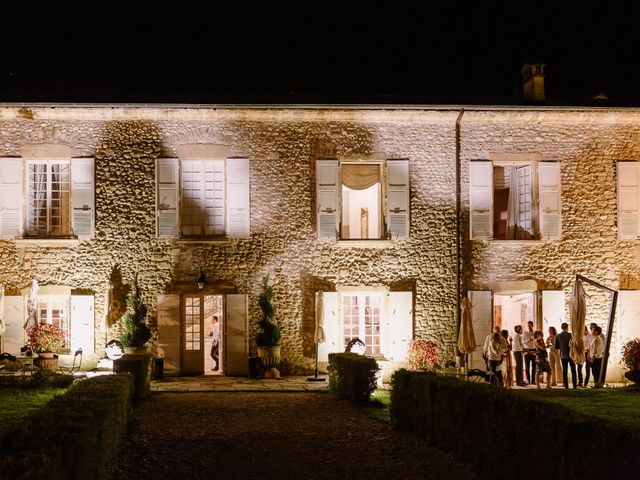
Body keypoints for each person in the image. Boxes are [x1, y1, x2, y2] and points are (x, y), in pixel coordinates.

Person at [554, 322, 577, 389]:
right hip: (571, 355)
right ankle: (575, 386)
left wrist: (562, 347)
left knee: (565, 371)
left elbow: (556, 347)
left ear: (562, 327)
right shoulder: (571, 335)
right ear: (567, 327)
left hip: (563, 355)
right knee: (573, 370)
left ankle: (566, 386)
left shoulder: (557, 336)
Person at [522, 320, 537, 385]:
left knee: (534, 366)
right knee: (527, 366)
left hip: (534, 349)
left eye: (530, 325)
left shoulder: (535, 333)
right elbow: (522, 342)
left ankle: (533, 380)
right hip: (527, 350)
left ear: (532, 325)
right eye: (528, 325)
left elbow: (537, 341)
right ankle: (528, 380)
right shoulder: (525, 333)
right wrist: (528, 340)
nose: (529, 326)